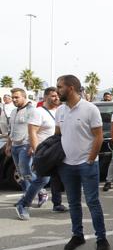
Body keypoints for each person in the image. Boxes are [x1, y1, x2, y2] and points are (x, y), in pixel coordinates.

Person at [55, 75, 109, 250]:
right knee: (73, 203)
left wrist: (90, 160)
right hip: (66, 166)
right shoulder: (60, 111)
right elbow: (57, 136)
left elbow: (99, 136)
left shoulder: (90, 109)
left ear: (70, 88)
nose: (57, 90)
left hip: (87, 164)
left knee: (93, 202)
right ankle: (77, 235)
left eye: (59, 87)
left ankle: (101, 238)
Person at [14, 87, 67, 220]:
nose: (57, 98)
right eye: (53, 96)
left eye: (58, 96)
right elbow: (32, 132)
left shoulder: (59, 111)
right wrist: (37, 152)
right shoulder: (38, 112)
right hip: (44, 152)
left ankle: (57, 204)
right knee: (43, 179)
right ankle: (23, 205)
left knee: (56, 178)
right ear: (45, 97)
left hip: (57, 150)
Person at [6, 88, 35, 219]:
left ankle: (25, 203)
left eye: (17, 97)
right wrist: (8, 145)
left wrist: (32, 146)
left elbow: (34, 130)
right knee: (21, 175)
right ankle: (35, 192)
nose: (14, 99)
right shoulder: (13, 112)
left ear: (24, 97)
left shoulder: (31, 110)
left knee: (26, 173)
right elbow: (10, 130)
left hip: (25, 146)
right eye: (13, 97)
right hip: (15, 147)